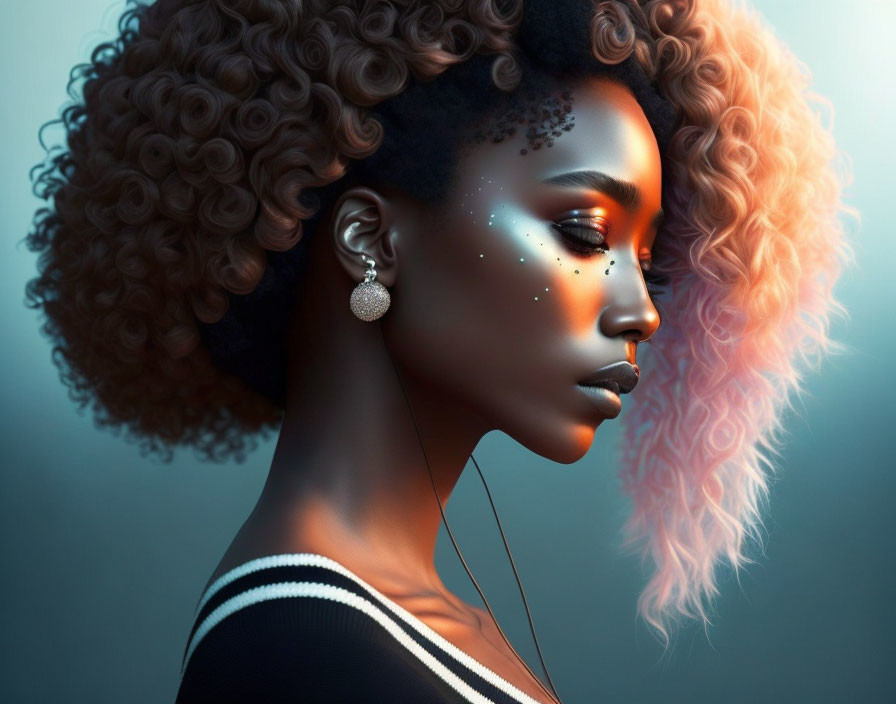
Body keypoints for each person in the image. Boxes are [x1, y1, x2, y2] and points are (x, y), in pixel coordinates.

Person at [25, 0, 851, 701]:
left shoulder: (403, 616)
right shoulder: (295, 649)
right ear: (369, 241)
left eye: (645, 265)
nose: (642, 313)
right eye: (585, 231)